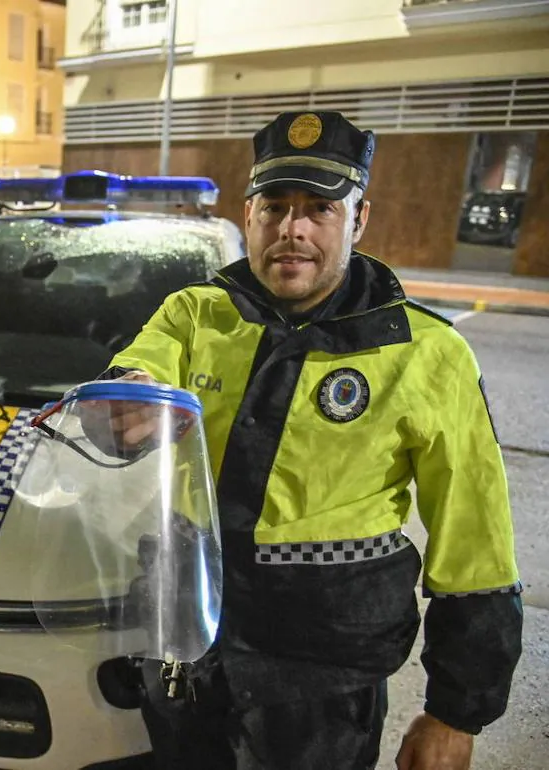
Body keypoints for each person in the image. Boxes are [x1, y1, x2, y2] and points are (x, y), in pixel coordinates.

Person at [93, 111, 522, 770]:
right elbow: (141, 367)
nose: (292, 228)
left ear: (360, 219)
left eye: (319, 208)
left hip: (319, 692)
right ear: (249, 215)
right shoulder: (195, 314)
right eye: (275, 207)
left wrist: (456, 711)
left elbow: (477, 541)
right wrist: (128, 394)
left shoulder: (428, 353)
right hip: (186, 660)